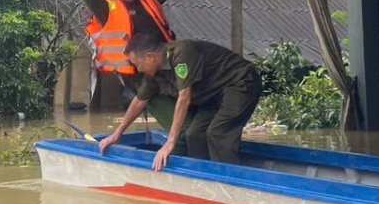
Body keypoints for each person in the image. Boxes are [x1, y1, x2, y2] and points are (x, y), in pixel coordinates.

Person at [81, 0, 190, 152]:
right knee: (184, 129)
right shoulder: (105, 8)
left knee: (194, 117)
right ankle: (178, 163)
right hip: (143, 80)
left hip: (169, 71)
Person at [100, 33, 262, 171]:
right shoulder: (155, 73)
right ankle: (201, 176)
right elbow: (139, 101)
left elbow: (184, 98)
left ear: (149, 57)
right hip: (214, 95)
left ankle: (229, 182)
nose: (138, 69)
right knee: (193, 135)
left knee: (218, 134)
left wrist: (170, 142)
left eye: (137, 64)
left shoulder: (182, 54)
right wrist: (117, 133)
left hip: (240, 83)